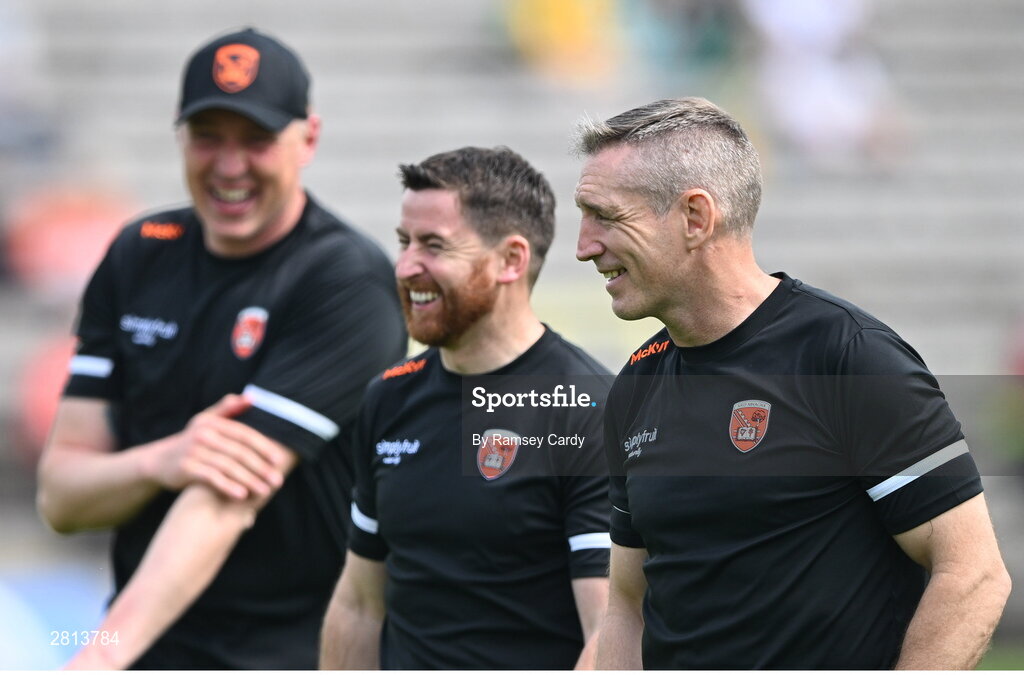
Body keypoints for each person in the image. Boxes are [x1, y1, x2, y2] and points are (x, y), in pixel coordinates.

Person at [572, 97, 1011, 669]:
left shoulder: (846, 356)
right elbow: (627, 603)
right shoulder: (638, 381)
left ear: (696, 219)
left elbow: (973, 574)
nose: (584, 246)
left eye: (605, 217)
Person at [35, 28, 407, 669]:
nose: (230, 166)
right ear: (181, 137)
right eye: (209, 137)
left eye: (257, 140)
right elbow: (61, 498)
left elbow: (225, 499)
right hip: (152, 636)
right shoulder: (139, 251)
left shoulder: (345, 278)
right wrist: (161, 460)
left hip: (297, 645)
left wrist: (94, 661)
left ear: (308, 139)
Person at [319, 146, 612, 669]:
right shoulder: (389, 398)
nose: (406, 266)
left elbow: (609, 635)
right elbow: (359, 604)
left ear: (511, 260)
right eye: (404, 242)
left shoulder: (588, 408)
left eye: (434, 246)